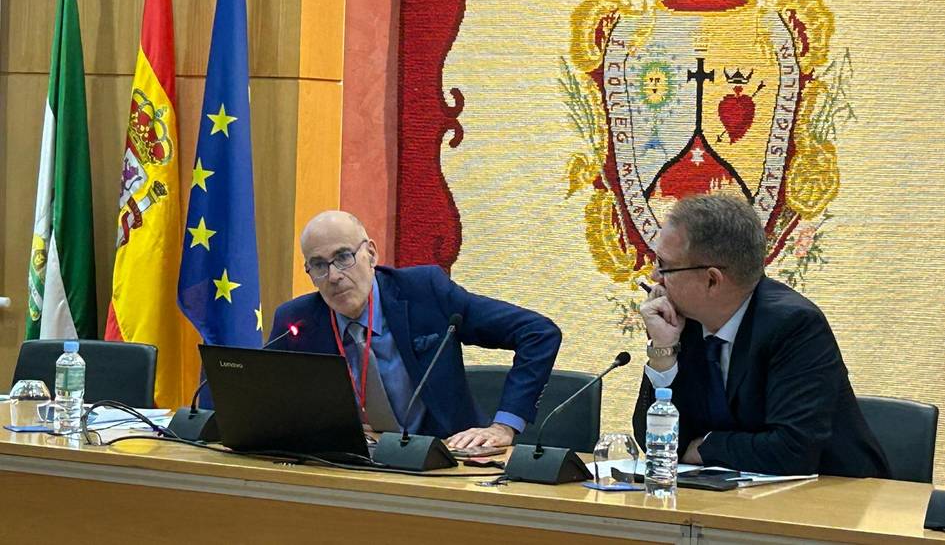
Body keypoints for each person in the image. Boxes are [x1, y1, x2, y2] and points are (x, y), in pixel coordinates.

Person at [631, 194, 889, 478]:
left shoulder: (794, 326)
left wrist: (707, 447)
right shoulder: (686, 322)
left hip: (837, 499)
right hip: (737, 499)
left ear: (712, 280)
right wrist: (663, 350)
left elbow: (791, 451)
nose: (655, 276)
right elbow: (657, 444)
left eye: (664, 265)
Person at [269, 210, 561, 449]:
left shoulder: (426, 292)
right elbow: (261, 394)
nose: (333, 276)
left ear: (370, 254)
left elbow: (538, 333)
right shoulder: (297, 321)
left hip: (443, 461)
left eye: (344, 257)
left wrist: (505, 426)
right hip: (350, 466)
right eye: (319, 265)